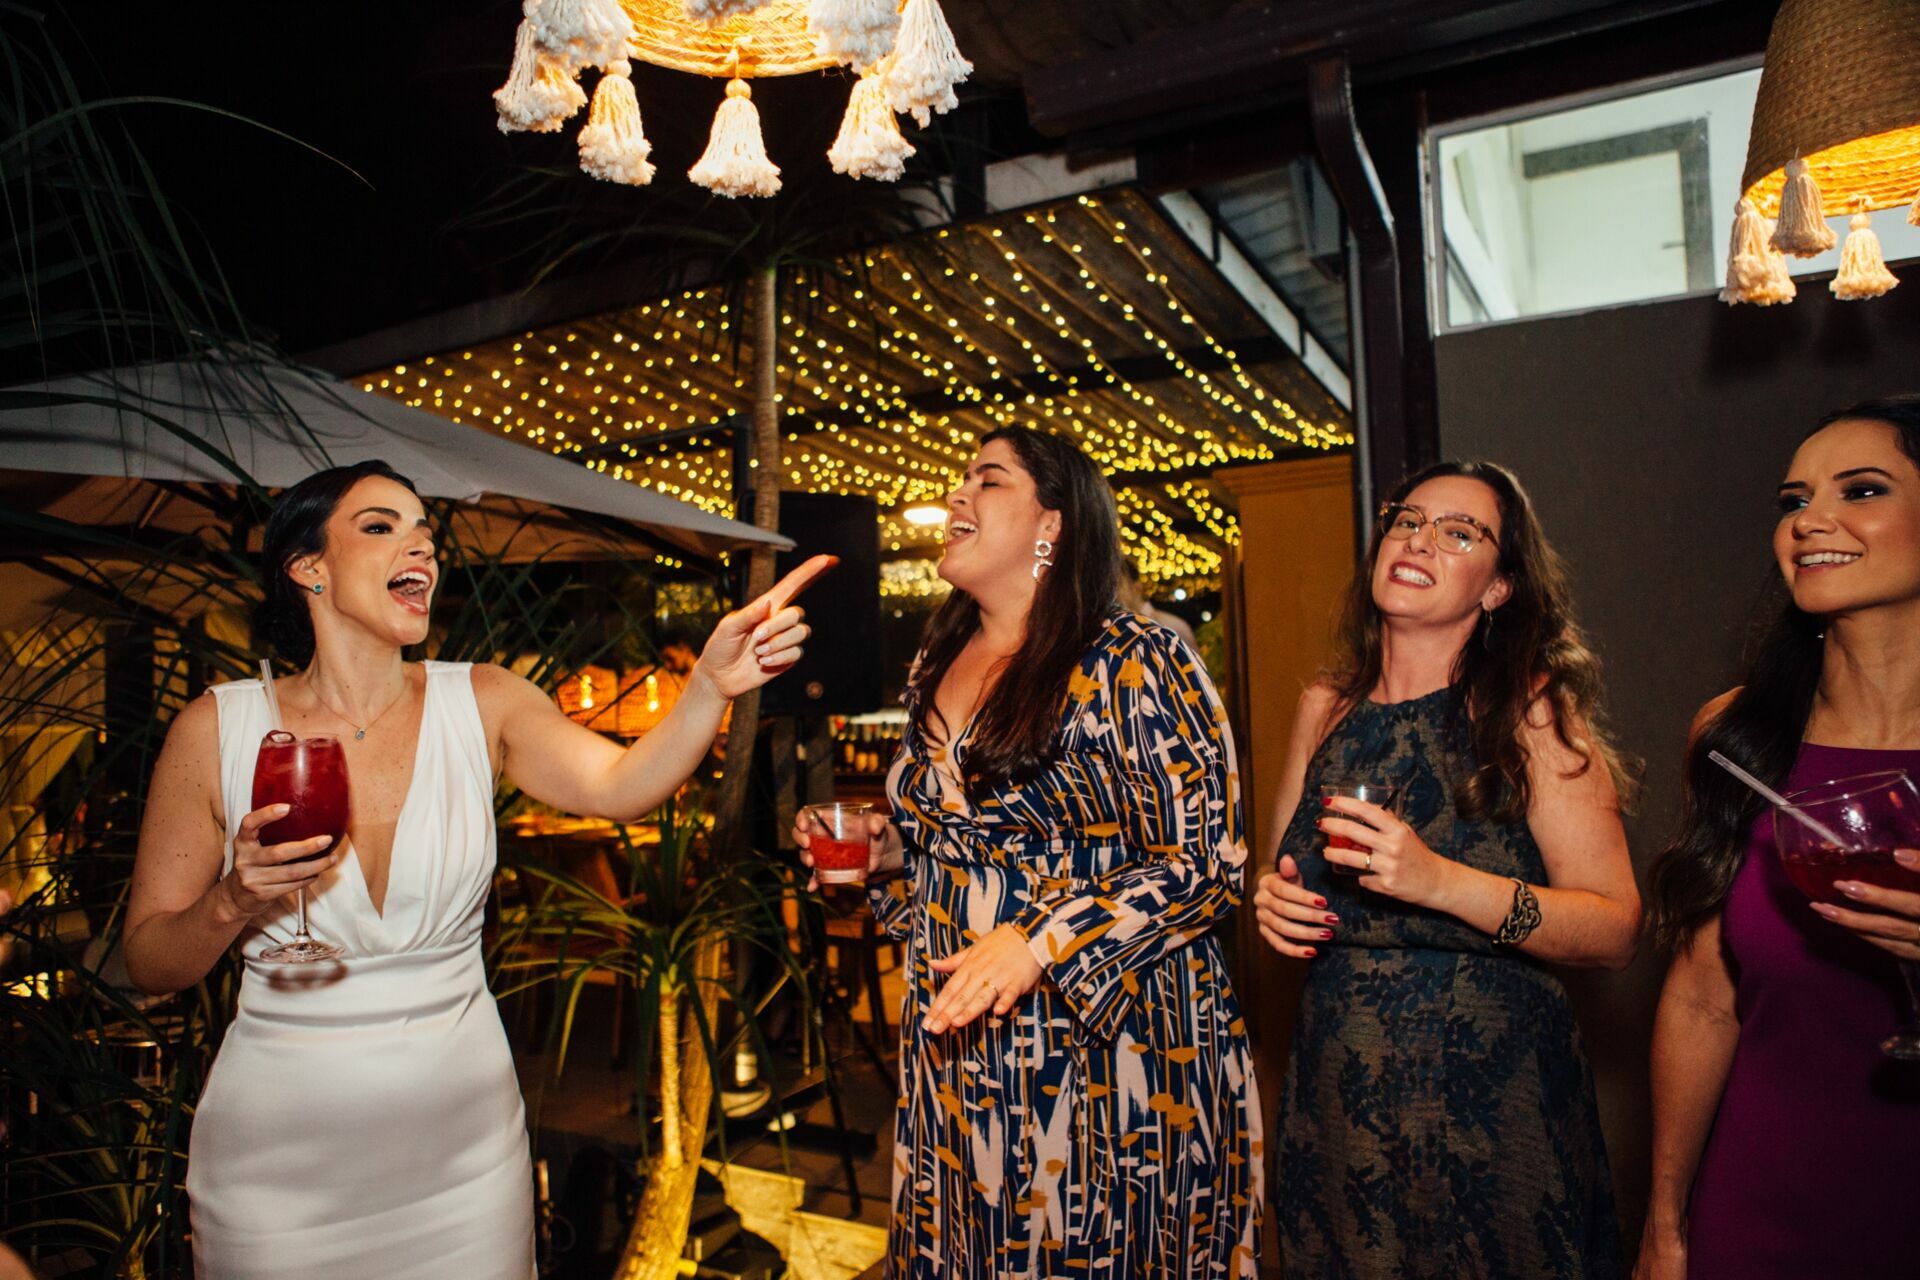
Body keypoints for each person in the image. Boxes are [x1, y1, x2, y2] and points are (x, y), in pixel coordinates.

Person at [123, 460, 827, 1280]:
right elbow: (148, 961)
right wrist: (233, 900)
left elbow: (621, 786)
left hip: (462, 1162)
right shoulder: (215, 730)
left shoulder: (484, 700)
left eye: (425, 529)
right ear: (307, 567)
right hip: (281, 1166)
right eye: (381, 526)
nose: (419, 542)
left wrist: (709, 687)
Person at [796, 426, 1262, 1277]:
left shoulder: (1137, 659)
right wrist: (884, 847)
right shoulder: (934, 663)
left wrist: (1042, 937)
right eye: (961, 477)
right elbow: (962, 840)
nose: (958, 496)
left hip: (1108, 1050)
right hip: (958, 1045)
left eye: (990, 480)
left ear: (1053, 525)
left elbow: (1208, 867)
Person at [1254, 461, 1639, 1279]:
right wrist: (1272, 905)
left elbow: (1614, 926)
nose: (1420, 539)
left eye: (1459, 533)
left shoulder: (1529, 709)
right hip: (1340, 1097)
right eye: (1407, 520)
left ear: (1498, 588)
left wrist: (1440, 882)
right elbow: (1282, 873)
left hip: (1493, 1111)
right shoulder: (1325, 706)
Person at [1637, 395, 1920, 1280]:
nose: (1812, 523)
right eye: (1794, 502)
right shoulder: (1738, 737)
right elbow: (1701, 993)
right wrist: (1664, 1222)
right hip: (1763, 1212)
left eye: (1861, 490)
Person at [1117, 558, 1198, 649]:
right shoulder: (1119, 629)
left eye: (1119, 585)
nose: (1114, 593)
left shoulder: (1170, 626)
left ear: (1137, 587)